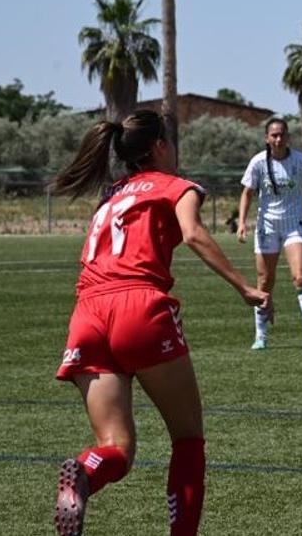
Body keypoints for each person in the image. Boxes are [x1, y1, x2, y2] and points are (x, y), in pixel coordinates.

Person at [50, 110, 271, 536]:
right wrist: (245, 287)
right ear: (160, 147)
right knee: (188, 439)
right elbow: (193, 234)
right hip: (138, 308)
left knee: (115, 448)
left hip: (87, 314)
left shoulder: (112, 195)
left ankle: (84, 471)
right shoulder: (176, 187)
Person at [236, 118, 302, 352]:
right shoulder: (257, 162)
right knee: (265, 281)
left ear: (288, 137)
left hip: (294, 224)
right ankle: (261, 335)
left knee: (301, 276)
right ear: (267, 138)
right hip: (267, 226)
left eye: (282, 134)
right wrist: (242, 222)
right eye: (274, 135)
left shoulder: (301, 161)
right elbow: (247, 192)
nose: (278, 139)